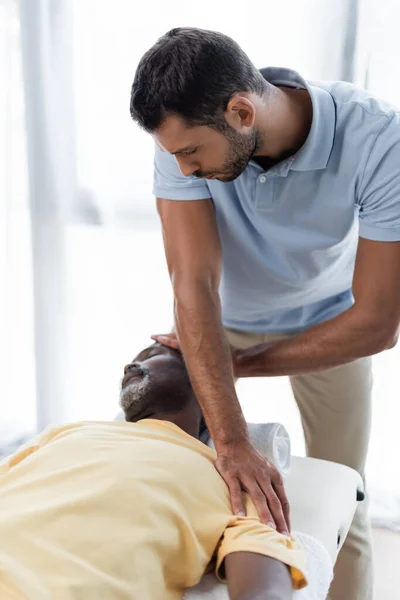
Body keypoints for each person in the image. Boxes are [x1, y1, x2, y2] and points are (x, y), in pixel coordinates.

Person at [129, 27, 400, 600]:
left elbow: (379, 321)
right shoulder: (183, 138)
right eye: (172, 153)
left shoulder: (380, 139)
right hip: (214, 316)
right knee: (182, 479)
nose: (180, 170)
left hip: (332, 324)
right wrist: (230, 439)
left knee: (345, 496)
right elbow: (194, 286)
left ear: (241, 112)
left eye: (190, 153)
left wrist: (240, 365)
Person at [0, 343, 307, 600]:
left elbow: (264, 590)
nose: (128, 366)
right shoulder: (66, 432)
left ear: (202, 377)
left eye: (151, 354)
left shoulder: (234, 478)